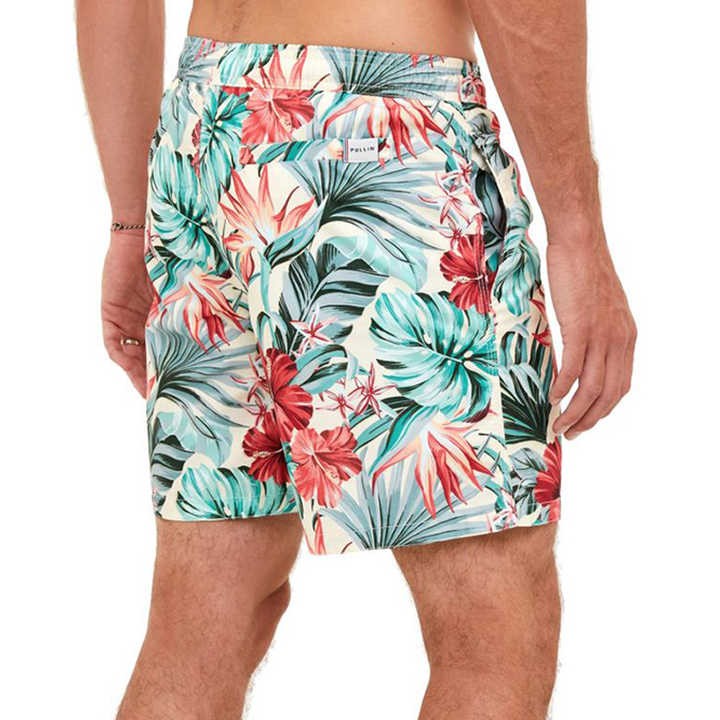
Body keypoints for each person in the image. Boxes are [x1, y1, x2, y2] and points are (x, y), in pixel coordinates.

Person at [76, 0, 636, 717]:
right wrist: (579, 228)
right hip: (378, 136)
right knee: (491, 628)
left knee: (205, 617)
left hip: (203, 138)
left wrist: (131, 221)